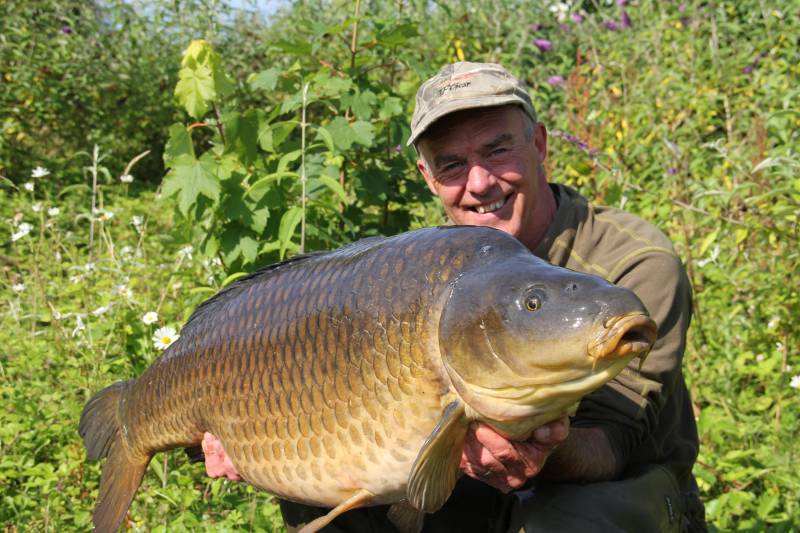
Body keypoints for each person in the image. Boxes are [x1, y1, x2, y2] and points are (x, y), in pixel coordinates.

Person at [202, 62, 706, 532]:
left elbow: (613, 445)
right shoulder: (424, 271)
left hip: (615, 491)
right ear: (428, 178)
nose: (480, 183)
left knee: (569, 517)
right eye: (452, 165)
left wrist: (541, 450)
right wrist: (259, 440)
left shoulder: (632, 264)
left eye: (497, 150)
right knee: (332, 504)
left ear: (540, 144)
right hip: (466, 484)